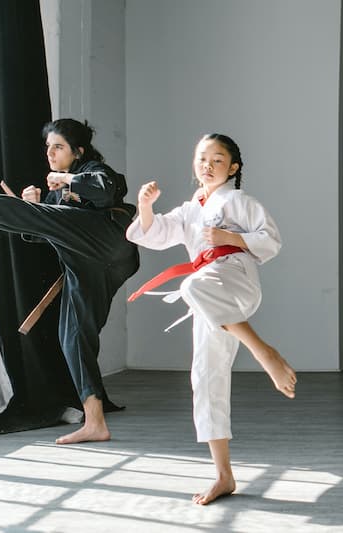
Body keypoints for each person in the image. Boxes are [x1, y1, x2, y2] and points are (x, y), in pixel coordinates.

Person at [0, 118, 140, 445]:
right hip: (84, 265)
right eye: (48, 148)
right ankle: (95, 422)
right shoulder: (55, 195)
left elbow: (105, 192)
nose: (50, 153)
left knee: (47, 218)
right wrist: (33, 208)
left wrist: (65, 181)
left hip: (111, 240)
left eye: (58, 147)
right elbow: (40, 233)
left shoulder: (94, 171)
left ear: (78, 151)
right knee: (73, 336)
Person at [126, 133, 297, 505]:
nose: (207, 165)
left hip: (234, 279)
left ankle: (263, 352)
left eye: (217, 159)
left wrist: (228, 238)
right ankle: (224, 475)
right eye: (202, 158)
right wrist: (144, 205)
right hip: (211, 299)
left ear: (233, 168)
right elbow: (152, 233)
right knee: (205, 377)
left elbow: (272, 239)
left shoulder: (237, 200)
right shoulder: (190, 210)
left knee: (191, 287)